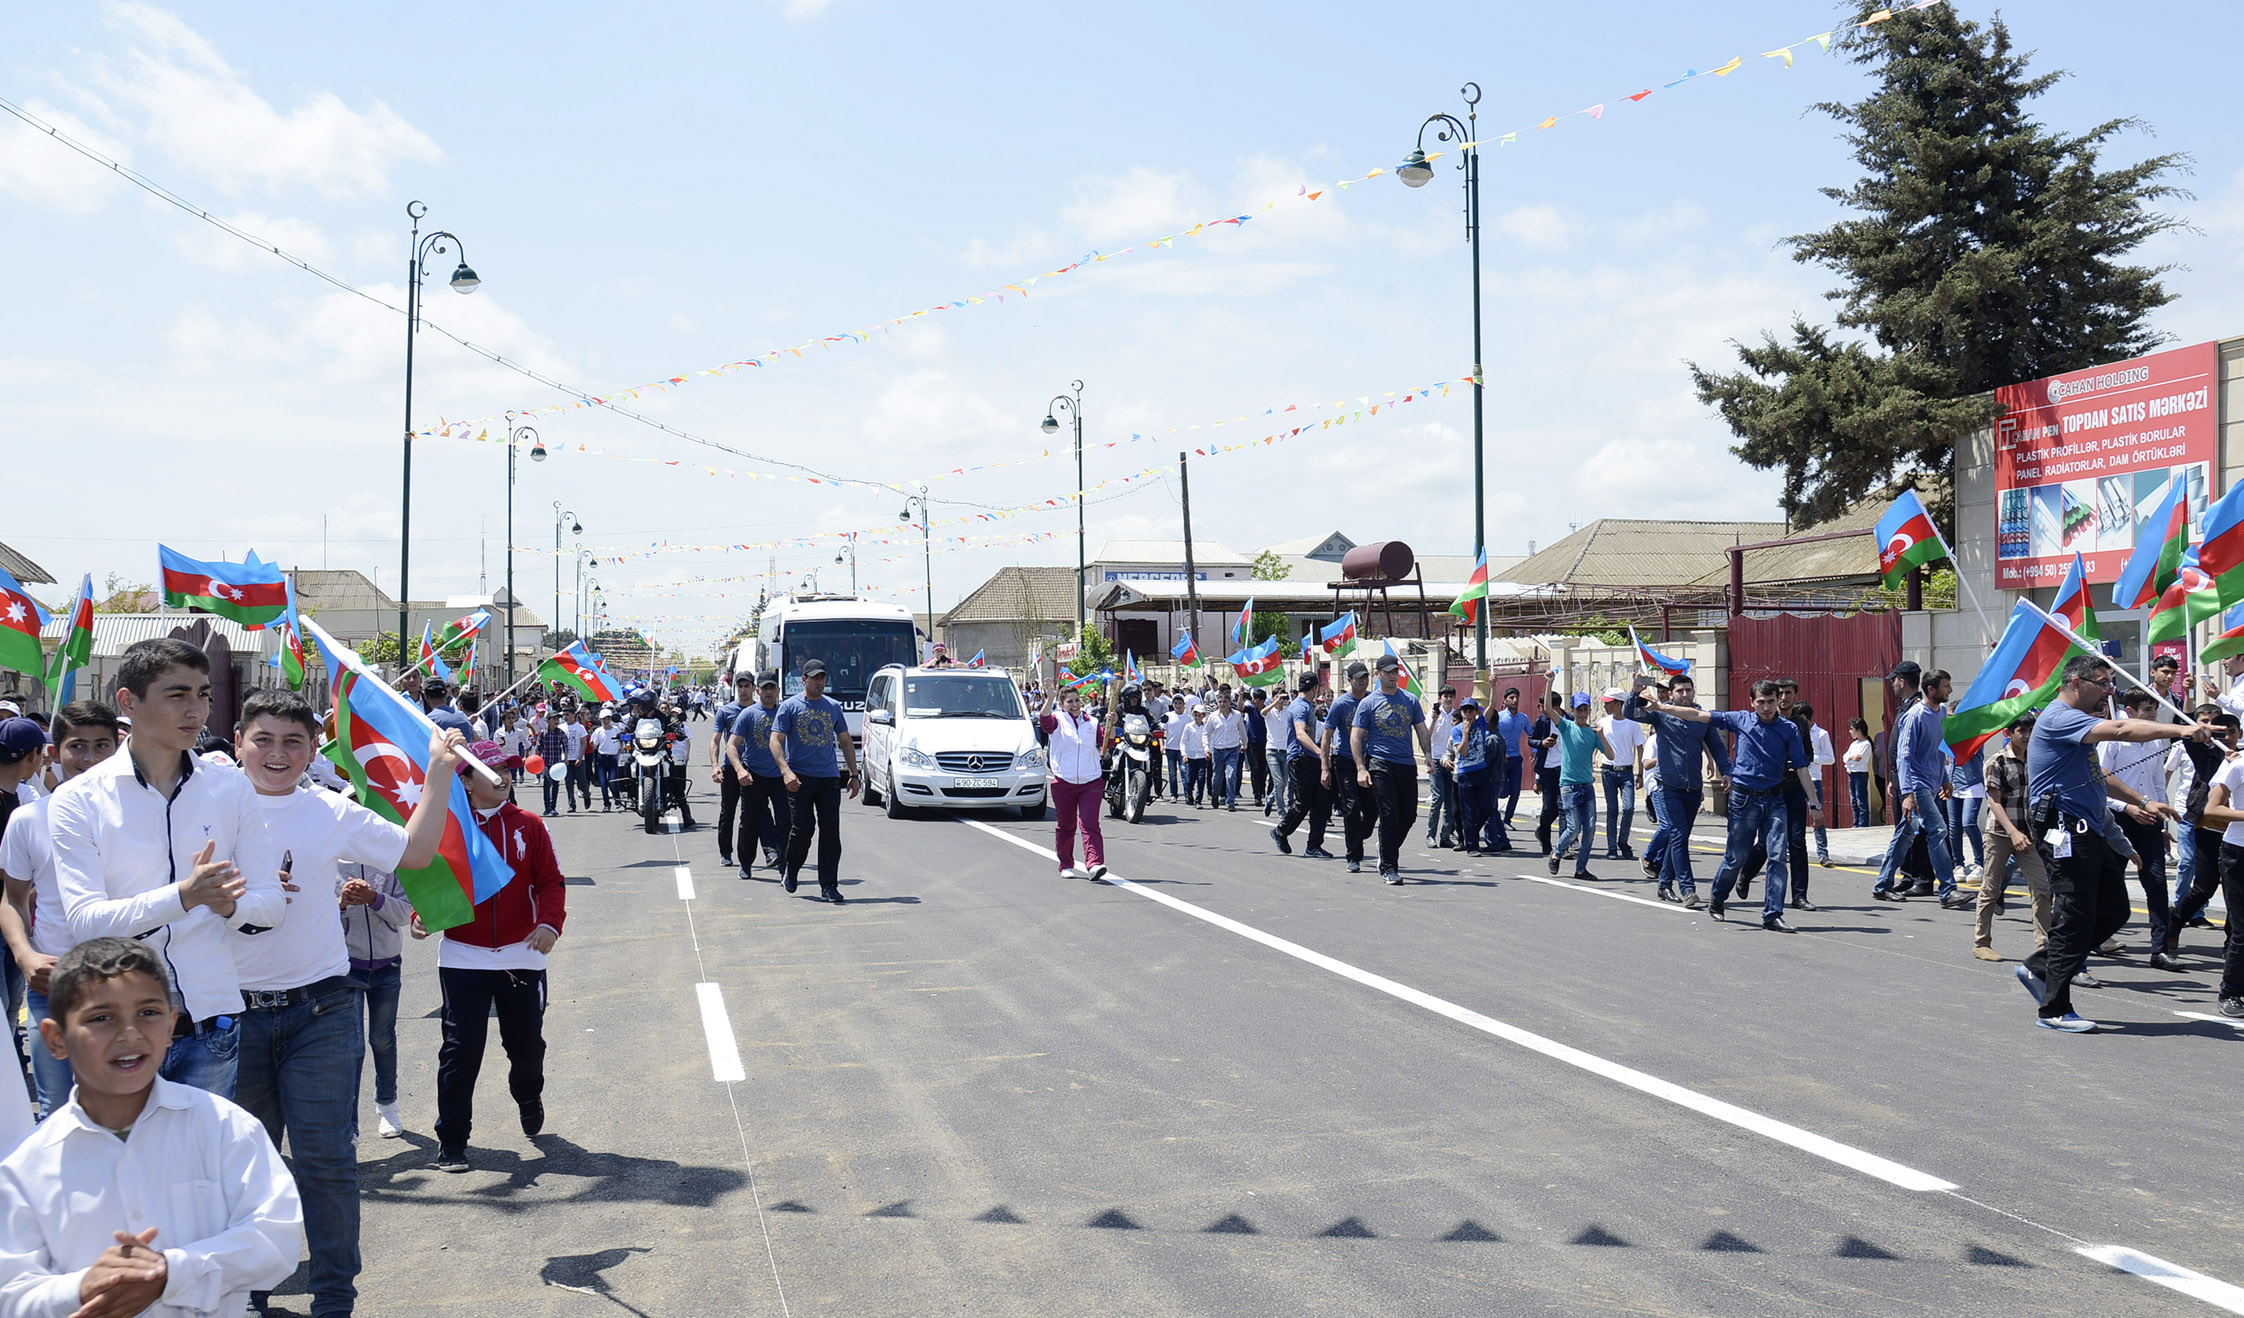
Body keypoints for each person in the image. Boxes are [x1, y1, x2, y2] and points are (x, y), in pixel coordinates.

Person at [228, 689, 463, 1316]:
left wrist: (438, 773)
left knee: (327, 1161)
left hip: (323, 1009)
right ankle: (250, 1295)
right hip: (233, 1015)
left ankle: (334, 1300)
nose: (277, 754)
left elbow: (414, 853)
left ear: (313, 750)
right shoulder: (207, 806)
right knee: (248, 1167)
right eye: (264, 739)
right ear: (238, 743)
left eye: (293, 742)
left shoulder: (330, 811)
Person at [0, 938, 302, 1315]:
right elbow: (11, 1292)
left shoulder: (225, 1127)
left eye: (148, 1013)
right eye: (101, 1018)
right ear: (55, 1039)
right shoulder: (25, 1166)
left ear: (172, 1021)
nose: (130, 1034)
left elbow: (277, 1238)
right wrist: (81, 1288)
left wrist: (172, 1273)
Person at [48, 638, 285, 1098]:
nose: (196, 710)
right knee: (120, 1165)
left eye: (203, 694)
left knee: (199, 1168)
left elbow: (271, 905)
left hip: (211, 1024)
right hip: (118, 1030)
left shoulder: (231, 788)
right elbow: (84, 922)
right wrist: (184, 897)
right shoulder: (78, 800)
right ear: (127, 702)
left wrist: (228, 906)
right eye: (177, 695)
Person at [2018, 655, 2206, 1031]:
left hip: (2090, 828)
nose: (2109, 691)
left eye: (2110, 684)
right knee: (2074, 914)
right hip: (2063, 828)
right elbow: (2121, 728)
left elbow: (2099, 774)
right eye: (2103, 683)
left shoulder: (2079, 727)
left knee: (2116, 909)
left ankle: (2041, 966)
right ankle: (2054, 1009)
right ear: (2076, 683)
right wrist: (2180, 730)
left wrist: (2143, 801)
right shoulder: (2060, 717)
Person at [415, 739, 567, 1169]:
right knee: (461, 1051)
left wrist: (548, 925)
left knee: (525, 1049)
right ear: (465, 781)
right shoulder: (446, 826)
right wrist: (421, 915)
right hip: (464, 956)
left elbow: (551, 882)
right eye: (491, 768)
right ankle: (452, 1139)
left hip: (523, 956)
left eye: (507, 767)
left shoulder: (530, 825)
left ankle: (528, 1093)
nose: (504, 776)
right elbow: (428, 879)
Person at [0, 702, 123, 1117]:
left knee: (123, 1103)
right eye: (77, 746)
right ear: (54, 752)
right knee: (58, 1110)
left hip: (125, 983)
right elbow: (12, 898)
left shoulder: (141, 816)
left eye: (101, 745)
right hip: (50, 985)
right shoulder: (28, 820)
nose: (89, 759)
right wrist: (25, 956)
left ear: (118, 747)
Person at [1640, 679, 1823, 931]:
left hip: (1774, 799)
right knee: (1736, 857)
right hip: (1744, 799)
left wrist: (1815, 804)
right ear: (1752, 703)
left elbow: (1802, 767)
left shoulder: (1788, 729)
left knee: (1778, 857)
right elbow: (1696, 714)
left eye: (1771, 702)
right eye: (1761, 702)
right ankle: (1718, 896)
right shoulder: (1741, 719)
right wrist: (1662, 708)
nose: (1767, 707)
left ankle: (1772, 914)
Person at [1623, 674, 1731, 908]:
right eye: (1680, 691)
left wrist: (1727, 772)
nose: (1685, 694)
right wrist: (1635, 692)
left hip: (1692, 787)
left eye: (1688, 690)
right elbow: (1631, 713)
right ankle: (1687, 888)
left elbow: (1717, 747)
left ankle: (1663, 885)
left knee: (1677, 838)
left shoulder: (1701, 716)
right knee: (1679, 835)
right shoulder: (1660, 712)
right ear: (1670, 694)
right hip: (1667, 786)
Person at [2169, 713, 2244, 1012]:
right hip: (2236, 851)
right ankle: (2229, 993)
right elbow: (2213, 808)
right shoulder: (2236, 764)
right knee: (2209, 893)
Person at [770, 660, 862, 903]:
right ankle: (792, 868)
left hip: (828, 777)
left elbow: (845, 741)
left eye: (822, 678)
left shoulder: (833, 706)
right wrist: (785, 771)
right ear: (804, 680)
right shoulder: (790, 707)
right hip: (799, 778)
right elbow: (775, 740)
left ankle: (829, 885)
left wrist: (853, 775)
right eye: (814, 678)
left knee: (831, 831)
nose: (819, 682)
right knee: (803, 830)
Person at [1872, 663, 1962, 905]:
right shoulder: (1915, 716)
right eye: (1946, 686)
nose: (1950, 690)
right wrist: (1908, 792)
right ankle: (1947, 890)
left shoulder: (1941, 713)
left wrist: (1945, 778)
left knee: (1906, 833)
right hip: (1917, 785)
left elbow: (1937, 750)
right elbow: (1904, 756)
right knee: (1938, 829)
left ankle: (1882, 885)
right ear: (1931, 689)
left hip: (1932, 784)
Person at [340, 854, 412, 1138]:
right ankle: (349, 1124)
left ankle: (388, 1104)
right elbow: (315, 918)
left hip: (387, 964)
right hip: (346, 967)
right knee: (351, 1046)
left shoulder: (387, 860)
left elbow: (406, 913)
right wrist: (342, 903)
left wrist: (374, 898)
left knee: (382, 1039)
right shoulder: (329, 860)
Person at [1972, 712, 2052, 964]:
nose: (2028, 736)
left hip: (2029, 834)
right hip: (2000, 834)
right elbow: (1994, 802)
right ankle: (1981, 942)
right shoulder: (1996, 761)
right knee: (1991, 888)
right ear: (2009, 733)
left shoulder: (2037, 759)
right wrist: (2013, 832)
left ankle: (2045, 945)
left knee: (2042, 888)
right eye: (2022, 731)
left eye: (2031, 730)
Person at [1352, 654, 1433, 884]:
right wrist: (1360, 768)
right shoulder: (1368, 703)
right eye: (1387, 672)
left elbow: (1421, 729)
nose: (1393, 676)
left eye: (1395, 671)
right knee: (1389, 814)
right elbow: (1355, 736)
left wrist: (1428, 755)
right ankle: (1389, 866)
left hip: (1406, 764)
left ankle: (1386, 846)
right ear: (1378, 674)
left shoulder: (1410, 700)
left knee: (1408, 816)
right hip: (1380, 763)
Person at [1039, 679, 1110, 880]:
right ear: (1062, 705)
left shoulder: (1093, 723)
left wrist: (1111, 724)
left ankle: (1094, 863)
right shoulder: (1057, 719)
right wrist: (1050, 697)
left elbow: (1107, 743)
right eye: (1069, 701)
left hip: (1091, 781)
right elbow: (1045, 723)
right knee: (1066, 824)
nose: (1074, 704)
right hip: (1064, 781)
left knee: (1090, 823)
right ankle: (1066, 864)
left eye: (1077, 700)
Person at [727, 674, 791, 879]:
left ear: (778, 690)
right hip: (754, 775)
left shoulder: (787, 712)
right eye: (765, 688)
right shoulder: (748, 714)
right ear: (758, 691)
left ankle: (785, 868)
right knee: (749, 822)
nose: (769, 692)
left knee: (786, 823)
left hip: (781, 776)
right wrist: (739, 770)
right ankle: (745, 864)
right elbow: (731, 745)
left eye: (773, 688)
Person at [1546, 693, 1610, 880]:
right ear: (1572, 711)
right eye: (1579, 710)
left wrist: (1602, 736)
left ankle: (1581, 869)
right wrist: (1550, 682)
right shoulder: (1566, 727)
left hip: (1587, 787)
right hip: (1569, 787)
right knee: (1574, 828)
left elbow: (1611, 755)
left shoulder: (1593, 732)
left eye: (1585, 710)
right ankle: (1557, 853)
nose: (1582, 714)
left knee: (1590, 829)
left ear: (1589, 711)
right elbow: (1549, 710)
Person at [1269, 673, 1333, 859]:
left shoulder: (1307, 706)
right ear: (1315, 688)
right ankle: (1281, 831)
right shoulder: (1299, 707)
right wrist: (1320, 752)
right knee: (1301, 803)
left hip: (1311, 758)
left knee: (1321, 804)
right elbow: (1300, 734)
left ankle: (1314, 846)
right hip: (1301, 759)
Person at [1322, 662, 1377, 874]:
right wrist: (1324, 767)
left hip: (1370, 760)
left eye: (1366, 677)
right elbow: (1326, 736)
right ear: (1349, 680)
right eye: (1359, 677)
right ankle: (1353, 855)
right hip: (1345, 760)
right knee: (1352, 807)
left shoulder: (1373, 700)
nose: (1363, 681)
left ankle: (1358, 834)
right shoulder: (1340, 704)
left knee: (1373, 810)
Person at [1596, 689, 1644, 861]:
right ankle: (1611, 847)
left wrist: (1641, 773)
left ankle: (1622, 841)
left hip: (1626, 772)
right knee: (1612, 810)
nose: (1605, 705)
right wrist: (1594, 756)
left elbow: (1640, 748)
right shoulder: (1603, 722)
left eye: (1609, 702)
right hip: (1608, 770)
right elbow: (1597, 741)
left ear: (1618, 704)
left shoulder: (1633, 724)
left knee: (1629, 808)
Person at [712, 674, 755, 864]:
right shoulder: (726, 711)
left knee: (757, 811)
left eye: (747, 686)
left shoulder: (761, 709)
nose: (744, 690)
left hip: (755, 766)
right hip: (731, 765)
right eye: (740, 686)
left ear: (754, 687)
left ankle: (770, 851)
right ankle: (725, 852)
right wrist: (715, 766)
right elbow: (715, 740)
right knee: (728, 810)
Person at [1530, 694, 1564, 856]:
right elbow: (1531, 740)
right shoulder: (1541, 722)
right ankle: (1545, 839)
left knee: (1563, 807)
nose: (1542, 710)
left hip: (1566, 769)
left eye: (1545, 706)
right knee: (1549, 807)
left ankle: (1565, 845)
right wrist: (1542, 744)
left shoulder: (1569, 720)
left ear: (1555, 708)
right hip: (1548, 770)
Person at [1803, 702, 1836, 866]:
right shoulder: (1795, 732)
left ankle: (1823, 853)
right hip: (1796, 779)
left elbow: (1830, 758)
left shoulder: (1821, 734)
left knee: (1817, 818)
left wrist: (1811, 758)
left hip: (1813, 779)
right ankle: (1791, 850)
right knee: (1795, 817)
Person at [1425, 686, 1458, 850]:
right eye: (1445, 696)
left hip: (1450, 760)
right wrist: (1434, 720)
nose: (1448, 699)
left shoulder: (1456, 715)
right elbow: (1426, 736)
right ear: (1440, 698)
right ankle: (1430, 835)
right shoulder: (1433, 715)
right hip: (1436, 760)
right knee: (1437, 797)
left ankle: (1445, 836)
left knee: (1450, 801)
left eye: (1451, 696)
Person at [1496, 688, 1531, 825]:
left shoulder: (1523, 718)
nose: (1514, 700)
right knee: (1503, 791)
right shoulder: (1499, 717)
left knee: (1515, 792)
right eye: (1511, 698)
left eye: (1516, 697)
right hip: (1501, 759)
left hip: (1516, 758)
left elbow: (1531, 734)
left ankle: (1507, 820)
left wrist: (1534, 749)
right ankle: (1492, 814)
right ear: (1505, 701)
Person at [1206, 692, 1245, 811]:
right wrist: (1206, 747)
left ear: (1230, 703)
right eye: (1220, 702)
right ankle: (1215, 795)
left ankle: (1230, 801)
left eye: (1224, 702)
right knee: (1217, 777)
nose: (1222, 704)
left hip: (1232, 749)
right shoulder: (1213, 716)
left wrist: (1245, 744)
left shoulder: (1237, 715)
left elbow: (1242, 731)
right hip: (1217, 750)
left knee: (1231, 775)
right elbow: (1206, 733)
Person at [536, 713, 570, 817]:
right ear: (548, 721)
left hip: (557, 763)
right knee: (546, 783)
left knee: (555, 784)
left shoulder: (561, 733)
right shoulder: (543, 733)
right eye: (554, 719)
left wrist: (566, 759)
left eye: (557, 719)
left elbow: (565, 746)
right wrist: (536, 760)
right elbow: (538, 747)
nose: (556, 721)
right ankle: (547, 808)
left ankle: (553, 807)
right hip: (546, 762)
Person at [1844, 718, 1875, 827]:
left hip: (1860, 774)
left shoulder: (1866, 744)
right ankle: (1856, 823)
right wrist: (1851, 757)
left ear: (1859, 730)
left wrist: (1850, 759)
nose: (1850, 731)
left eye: (1852, 729)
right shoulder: (1854, 744)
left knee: (1861, 800)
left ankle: (1863, 824)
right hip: (1851, 773)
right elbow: (1844, 757)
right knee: (1853, 800)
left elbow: (1858, 760)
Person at [1179, 705, 1212, 807]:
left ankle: (1198, 800)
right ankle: (1189, 794)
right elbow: (1183, 741)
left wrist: (1208, 752)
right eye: (1195, 714)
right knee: (1190, 779)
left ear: (1203, 716)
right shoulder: (1188, 727)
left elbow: (1209, 740)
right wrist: (1184, 754)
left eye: (1199, 715)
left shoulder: (1206, 727)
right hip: (1191, 756)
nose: (1197, 717)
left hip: (1202, 756)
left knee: (1201, 778)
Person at [1243, 690, 1269, 810]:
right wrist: (1242, 694)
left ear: (1262, 701)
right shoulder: (1251, 709)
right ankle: (1257, 795)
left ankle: (1262, 789)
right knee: (1255, 769)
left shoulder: (1267, 710)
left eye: (1256, 699)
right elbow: (1240, 707)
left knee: (1263, 770)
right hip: (1252, 743)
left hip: (1265, 743)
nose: (1253, 701)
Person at [1162, 696, 1190, 802]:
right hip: (1170, 748)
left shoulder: (1188, 718)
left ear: (1183, 705)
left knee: (1184, 771)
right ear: (1172, 704)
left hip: (1183, 749)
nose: (1178, 705)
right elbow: (1161, 730)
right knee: (1172, 773)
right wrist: (1162, 745)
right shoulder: (1168, 716)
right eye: (1176, 703)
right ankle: (1174, 794)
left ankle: (1188, 794)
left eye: (1180, 703)